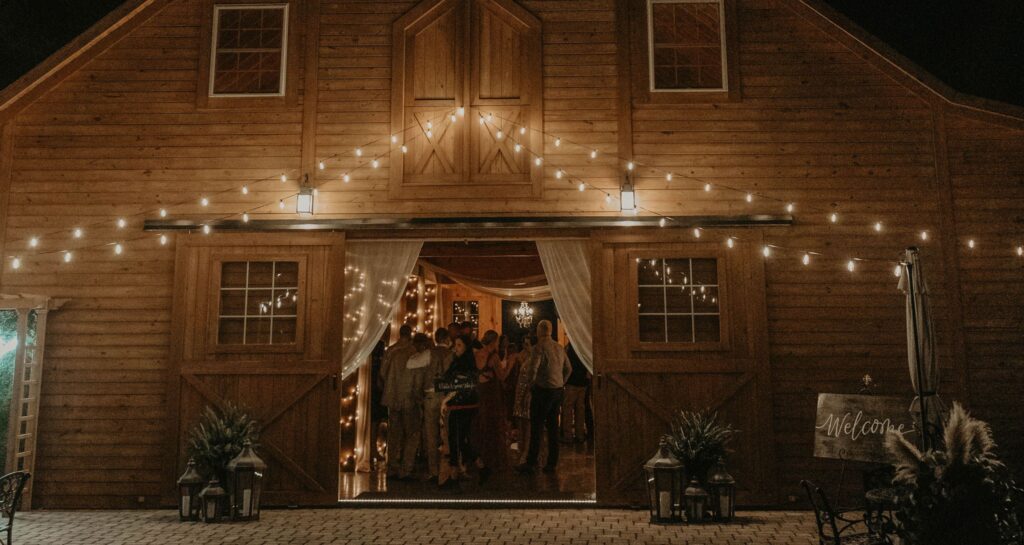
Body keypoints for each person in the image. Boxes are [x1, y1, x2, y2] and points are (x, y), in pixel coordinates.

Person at [517, 320, 571, 474]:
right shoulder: (559, 347)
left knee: (537, 428)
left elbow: (533, 370)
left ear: (539, 331)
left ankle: (531, 463)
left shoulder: (538, 348)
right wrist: (560, 383)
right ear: (551, 330)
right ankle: (552, 463)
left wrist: (530, 386)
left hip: (543, 391)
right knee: (553, 428)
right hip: (557, 391)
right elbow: (569, 368)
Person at [380, 327, 427, 480]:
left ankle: (392, 466)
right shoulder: (415, 355)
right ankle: (406, 468)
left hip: (393, 397)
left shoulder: (391, 351)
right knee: (412, 434)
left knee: (394, 433)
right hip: (410, 398)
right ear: (411, 336)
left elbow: (382, 373)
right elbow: (418, 381)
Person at [436, 335, 480, 484]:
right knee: (459, 439)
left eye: (459, 345)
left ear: (466, 347)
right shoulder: (458, 361)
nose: (456, 348)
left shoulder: (464, 363)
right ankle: (475, 467)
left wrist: (446, 399)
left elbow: (459, 385)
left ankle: (456, 473)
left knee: (457, 439)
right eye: (455, 345)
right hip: (461, 404)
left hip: (461, 405)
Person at [472, 330, 508, 484]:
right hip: (491, 395)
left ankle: (479, 457)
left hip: (479, 392)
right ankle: (493, 460)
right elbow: (502, 376)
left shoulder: (476, 354)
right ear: (494, 342)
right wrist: (510, 362)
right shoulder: (493, 357)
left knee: (480, 425)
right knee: (493, 426)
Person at [422, 328, 453, 482]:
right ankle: (447, 471)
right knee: (448, 434)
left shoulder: (429, 353)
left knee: (431, 434)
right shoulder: (451, 354)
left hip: (430, 394)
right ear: (447, 339)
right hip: (446, 396)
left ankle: (433, 470)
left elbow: (411, 363)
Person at [511, 335, 537, 461]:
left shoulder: (535, 358)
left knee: (528, 424)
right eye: (524, 344)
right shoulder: (524, 356)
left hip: (528, 392)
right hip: (520, 390)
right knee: (521, 422)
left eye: (528, 344)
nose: (525, 347)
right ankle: (522, 449)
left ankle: (527, 452)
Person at [560, 342, 591, 443]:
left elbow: (564, 364)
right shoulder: (584, 347)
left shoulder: (569, 348)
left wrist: (563, 379)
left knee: (568, 409)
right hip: (583, 382)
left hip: (572, 381)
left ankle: (568, 436)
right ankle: (580, 435)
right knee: (580, 409)